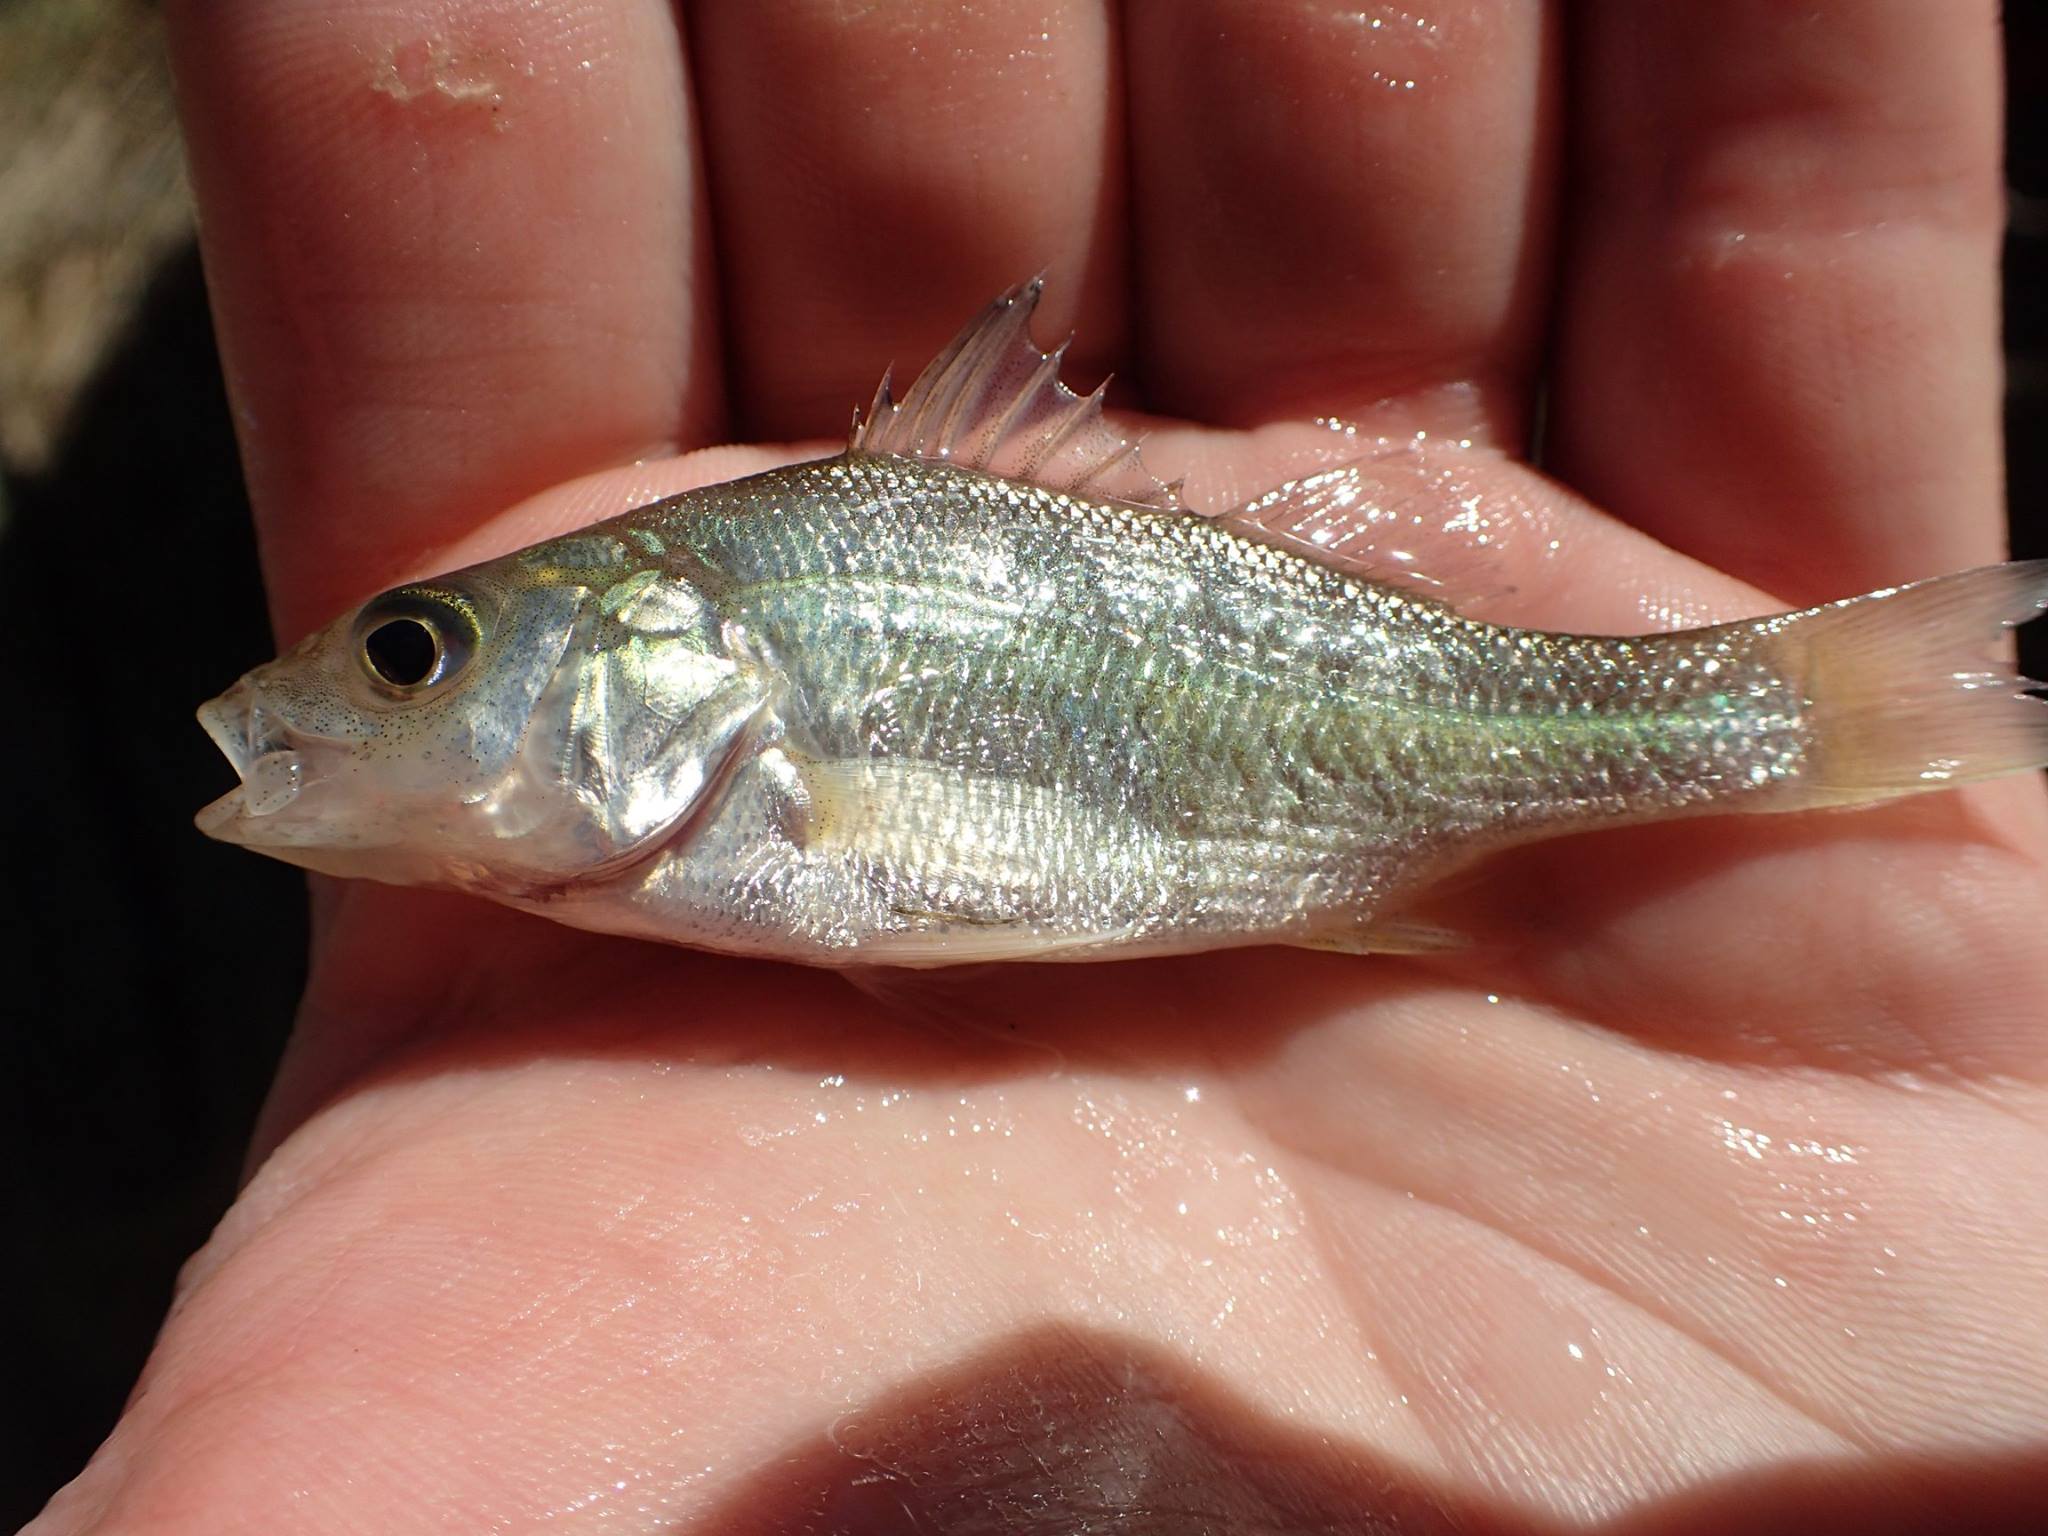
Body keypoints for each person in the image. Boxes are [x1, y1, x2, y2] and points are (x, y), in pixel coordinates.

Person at [34, 2, 2046, 1529]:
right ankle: (1815, 713)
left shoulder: (744, 762)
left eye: (412, 657)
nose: (341, 701)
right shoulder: (684, 828)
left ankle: (1800, 708)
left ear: (658, 659)